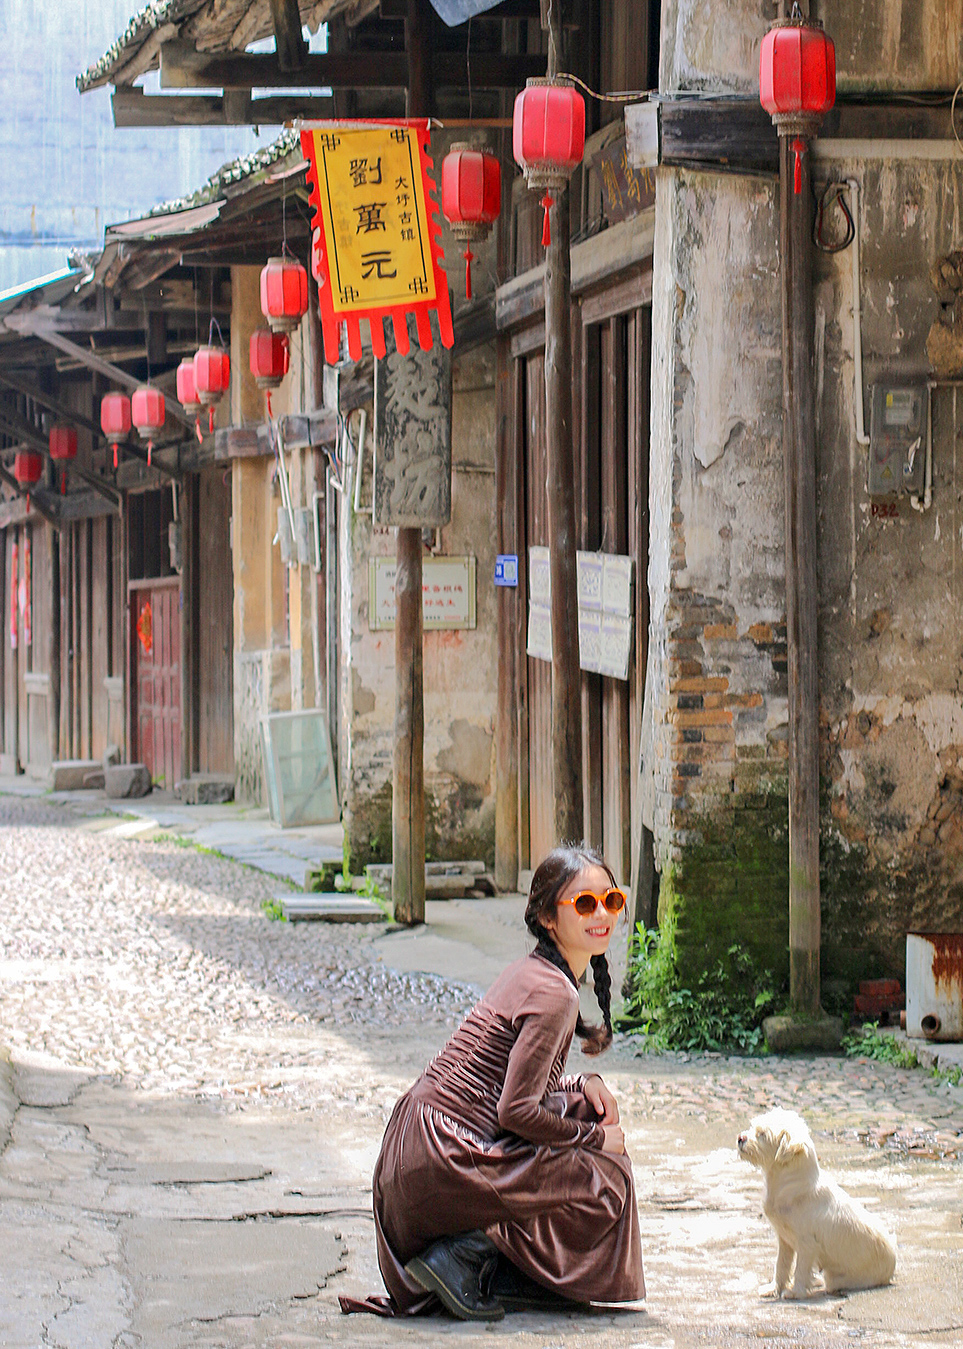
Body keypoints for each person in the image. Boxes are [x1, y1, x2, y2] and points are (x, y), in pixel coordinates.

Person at [361, 843, 645, 1321]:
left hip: (412, 1157)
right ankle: (465, 1253)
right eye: (584, 903)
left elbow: (509, 1077)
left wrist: (580, 1085)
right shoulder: (555, 993)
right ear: (549, 919)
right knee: (608, 1178)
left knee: (577, 1114)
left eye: (611, 901)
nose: (602, 915)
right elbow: (516, 1111)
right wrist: (597, 1137)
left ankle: (499, 1269)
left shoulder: (533, 971)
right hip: (442, 1158)